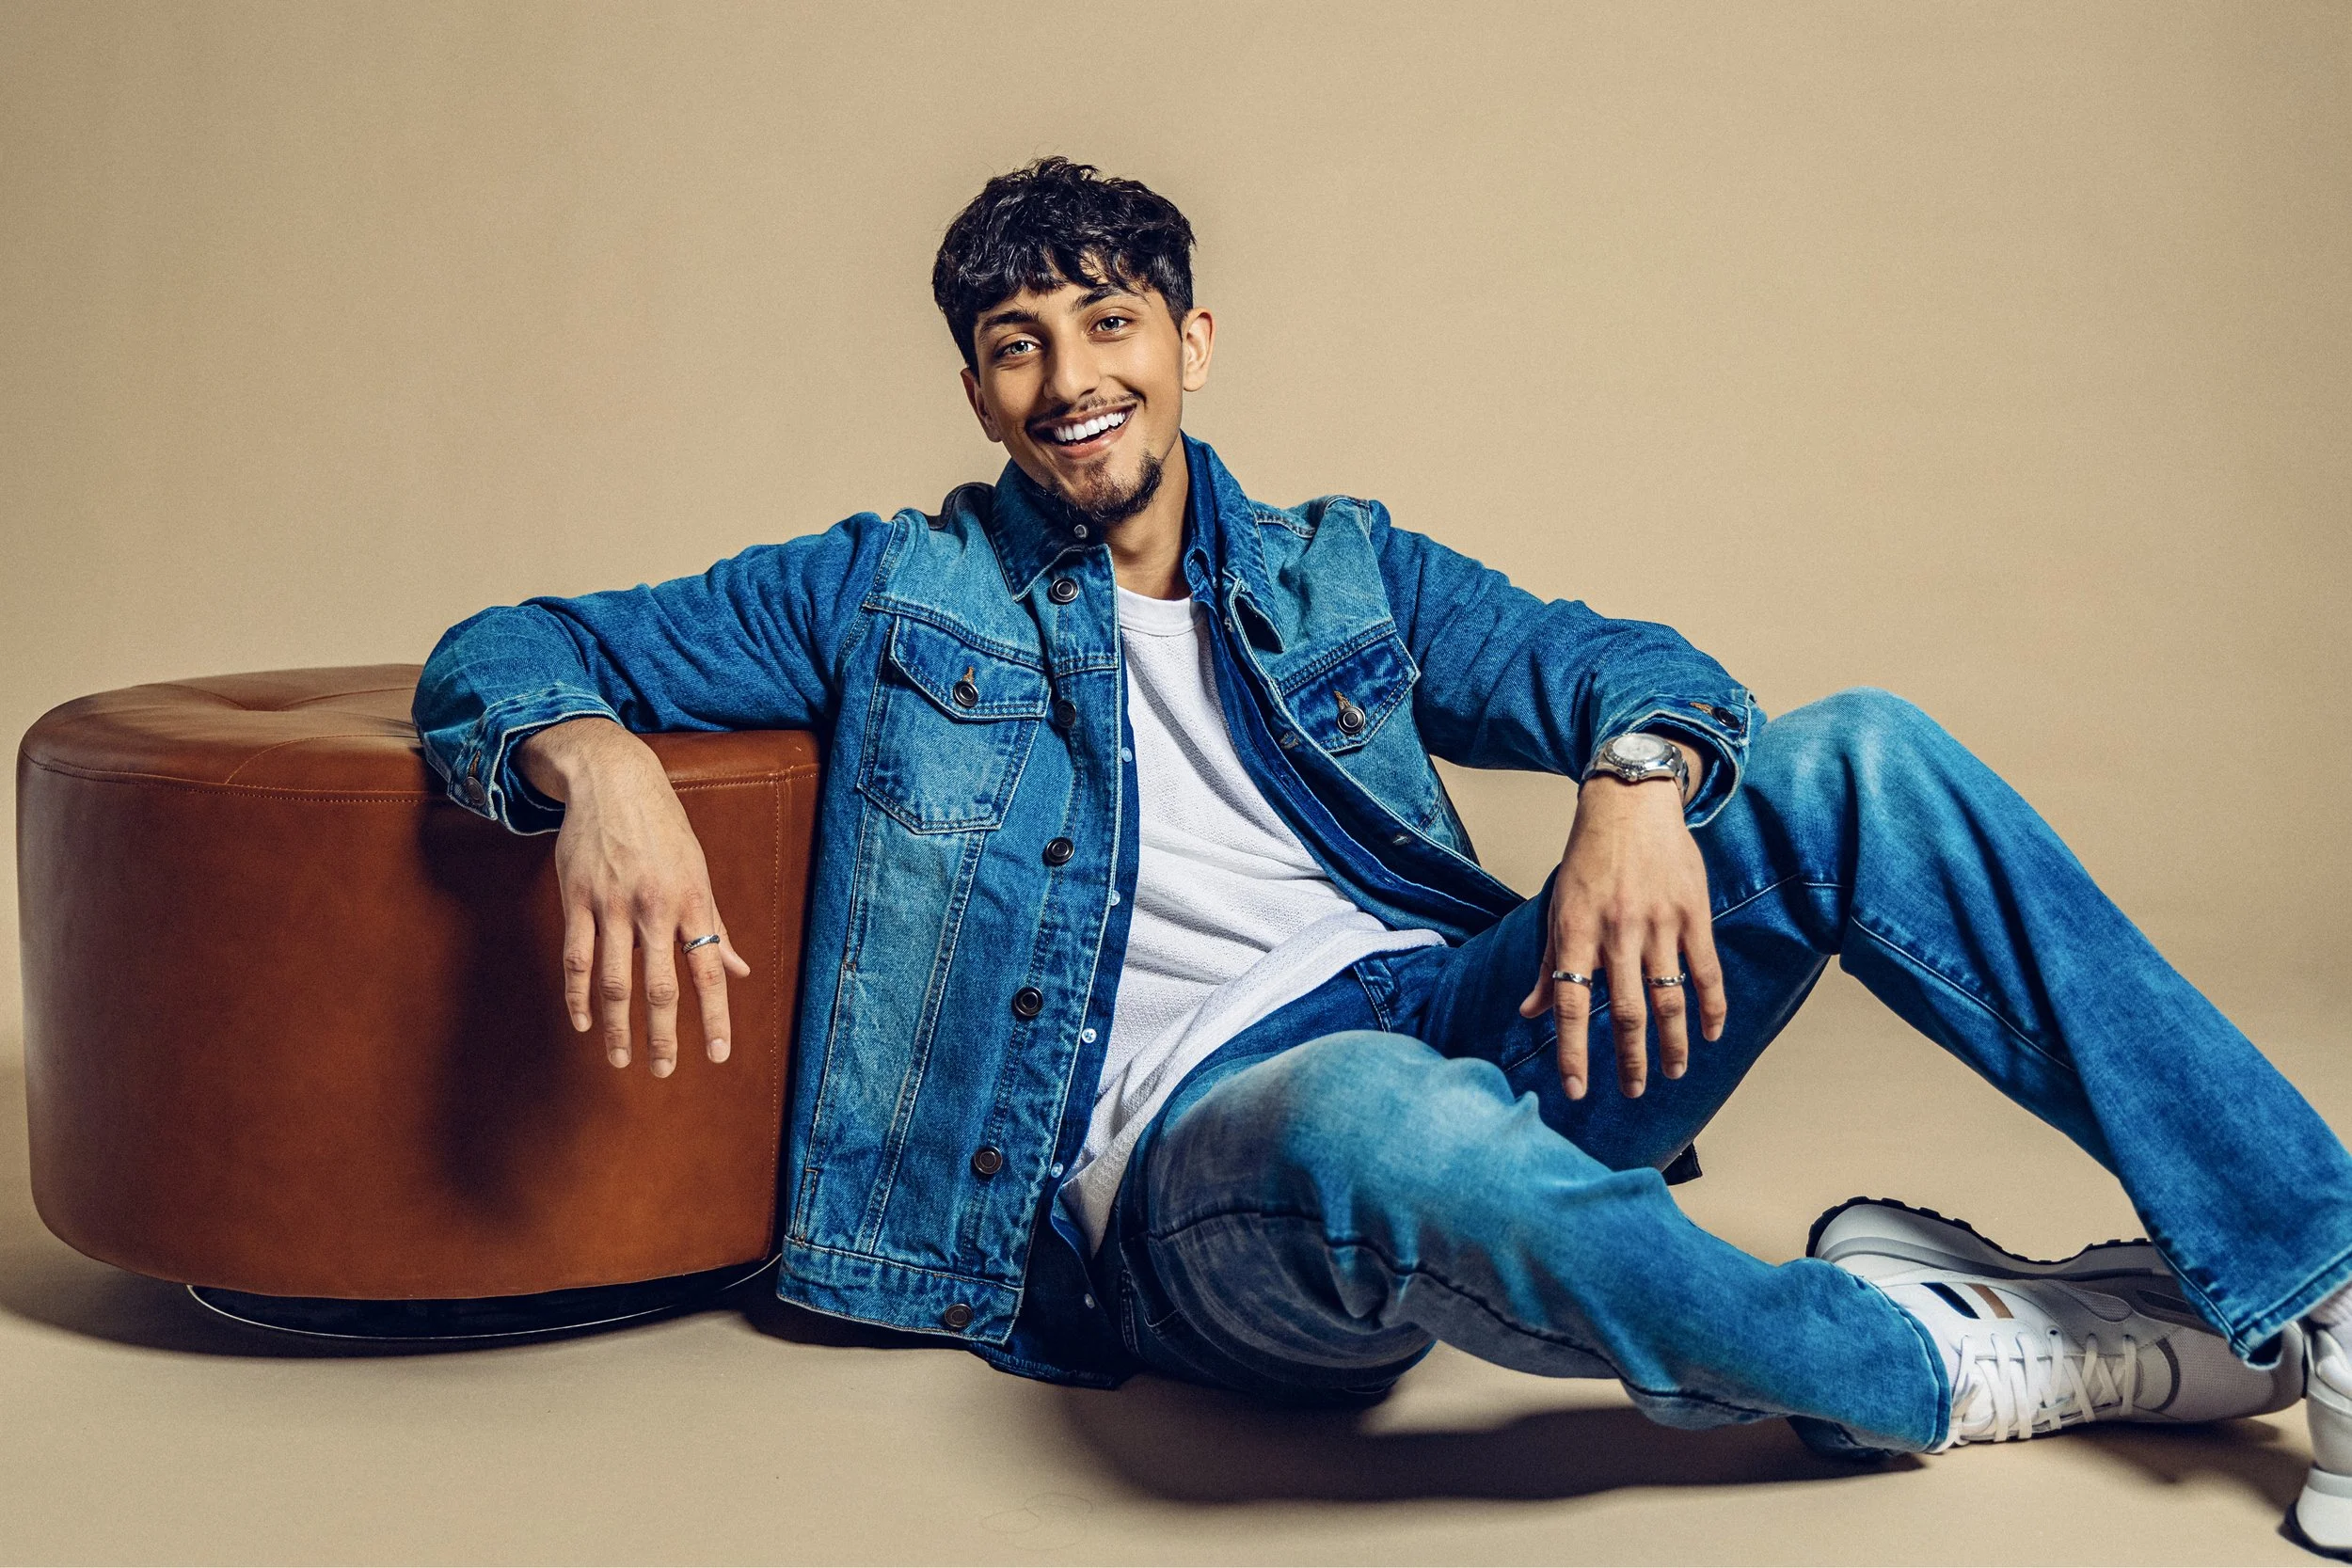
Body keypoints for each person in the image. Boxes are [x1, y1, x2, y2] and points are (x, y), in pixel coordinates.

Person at [414, 156, 2352, 1546]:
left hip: (1462, 1019)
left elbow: (1630, 666)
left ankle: (2322, 1283)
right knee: (1375, 1112)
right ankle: (1964, 1352)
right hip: (1197, 1165)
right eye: (1014, 342)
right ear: (974, 389)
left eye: (1108, 320)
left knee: (1865, 756)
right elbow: (507, 653)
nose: (1069, 372)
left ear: (1189, 338)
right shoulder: (884, 589)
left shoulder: (1344, 562)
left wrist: (1630, 784)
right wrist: (595, 761)